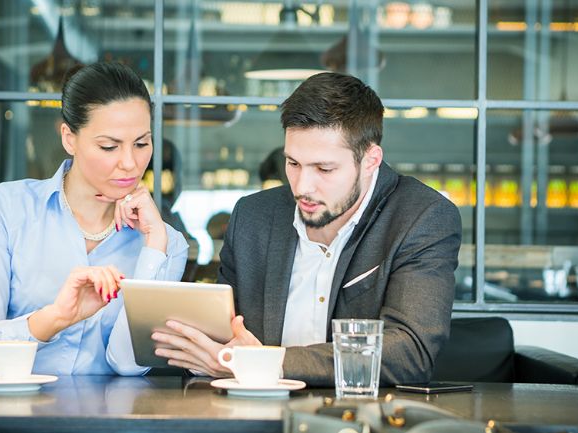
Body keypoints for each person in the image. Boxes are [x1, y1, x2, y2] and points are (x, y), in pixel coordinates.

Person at [151, 72, 461, 386]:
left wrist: (264, 363)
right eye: (293, 163)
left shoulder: (421, 217)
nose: (302, 186)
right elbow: (223, 337)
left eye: (324, 169)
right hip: (253, 414)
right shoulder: (253, 217)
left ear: (371, 160)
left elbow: (410, 352)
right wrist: (210, 352)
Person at [0, 62, 188, 376]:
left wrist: (154, 246)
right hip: (12, 414)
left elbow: (129, 365)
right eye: (109, 146)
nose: (130, 164)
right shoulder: (4, 210)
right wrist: (55, 318)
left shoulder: (166, 244)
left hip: (111, 421)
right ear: (69, 138)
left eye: (142, 144)